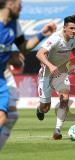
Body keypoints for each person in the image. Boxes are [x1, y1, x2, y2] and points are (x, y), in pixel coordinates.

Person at [0, 0, 56, 150]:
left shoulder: (13, 25)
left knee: (7, 117)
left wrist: (42, 34)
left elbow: (24, 47)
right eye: (19, 3)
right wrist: (12, 57)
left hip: (1, 79)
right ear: (10, 4)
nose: (21, 7)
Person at [35, 15, 75, 140]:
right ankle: (39, 109)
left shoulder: (73, 39)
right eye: (71, 28)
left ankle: (57, 130)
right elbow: (39, 54)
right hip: (46, 74)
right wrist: (51, 66)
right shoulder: (55, 38)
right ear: (64, 28)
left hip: (61, 73)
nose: (74, 31)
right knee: (45, 108)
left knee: (65, 98)